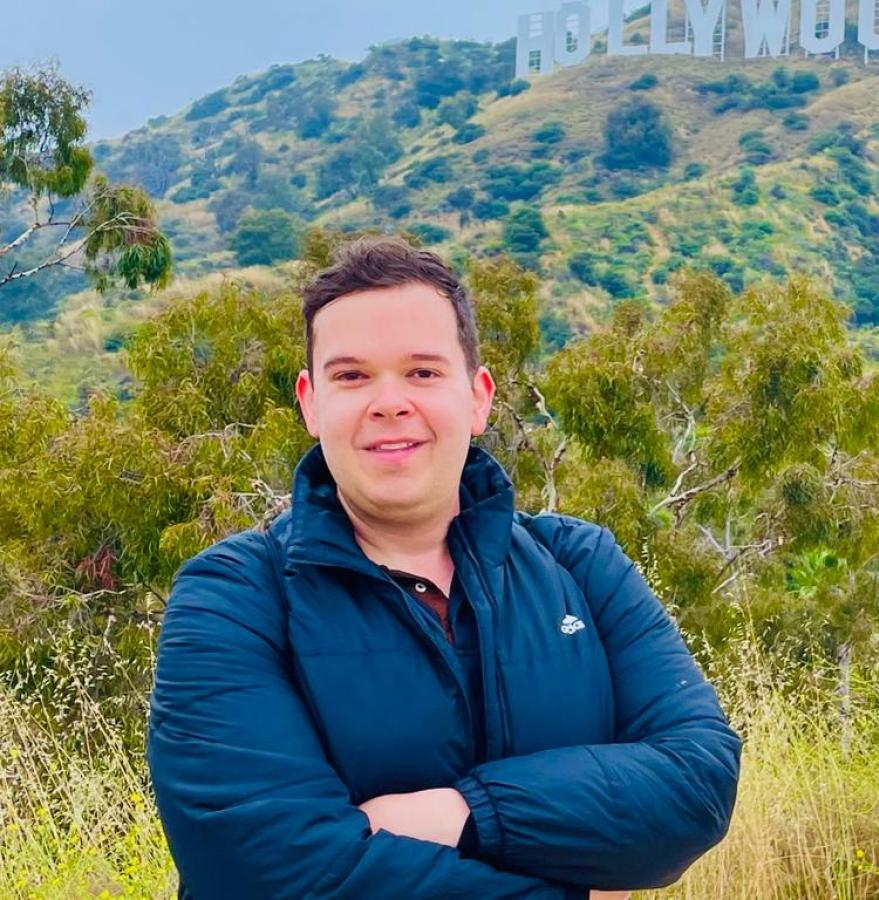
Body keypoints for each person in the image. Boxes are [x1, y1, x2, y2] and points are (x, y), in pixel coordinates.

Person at [146, 236, 741, 899]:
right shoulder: (233, 600)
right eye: (351, 376)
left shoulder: (581, 563)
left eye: (423, 372)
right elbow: (265, 871)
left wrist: (462, 815)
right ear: (310, 404)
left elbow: (697, 782)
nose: (389, 401)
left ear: (478, 396)